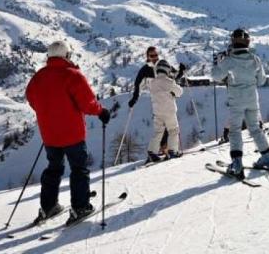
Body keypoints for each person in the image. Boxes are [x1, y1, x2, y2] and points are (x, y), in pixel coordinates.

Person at [25, 41, 111, 225]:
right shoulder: (72, 75)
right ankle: (80, 207)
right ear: (67, 56)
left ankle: (48, 207)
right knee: (79, 169)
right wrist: (101, 112)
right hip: (72, 134)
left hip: (49, 135)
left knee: (53, 169)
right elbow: (87, 103)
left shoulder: (38, 77)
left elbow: (31, 98)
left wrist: (47, 114)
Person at [212, 28, 269, 179]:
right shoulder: (255, 59)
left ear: (233, 41)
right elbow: (262, 81)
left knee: (235, 130)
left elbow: (216, 76)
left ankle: (237, 164)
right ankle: (268, 159)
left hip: (236, 100)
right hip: (252, 98)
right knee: (255, 128)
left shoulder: (228, 60)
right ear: (247, 42)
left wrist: (216, 63)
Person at [127, 46, 185, 162]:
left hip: (158, 105)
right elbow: (138, 84)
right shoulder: (146, 69)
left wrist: (180, 72)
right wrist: (135, 98)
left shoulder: (161, 66)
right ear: (147, 57)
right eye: (152, 56)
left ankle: (154, 151)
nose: (154, 58)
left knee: (160, 130)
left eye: (156, 55)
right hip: (166, 105)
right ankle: (170, 150)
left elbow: (174, 75)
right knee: (172, 129)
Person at [145, 59, 184, 163]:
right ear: (167, 70)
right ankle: (173, 151)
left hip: (157, 112)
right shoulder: (169, 82)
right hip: (169, 111)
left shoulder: (151, 83)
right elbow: (179, 92)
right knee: (173, 130)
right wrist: (173, 92)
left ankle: (152, 151)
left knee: (158, 132)